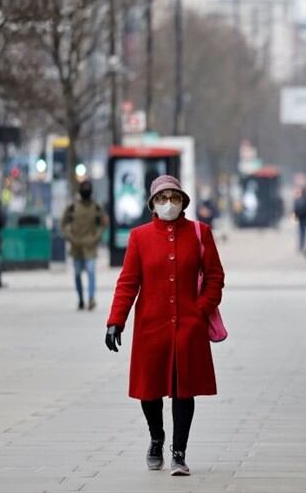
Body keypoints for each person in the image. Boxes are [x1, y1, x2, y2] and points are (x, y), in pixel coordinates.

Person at [105, 174, 225, 477]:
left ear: (183, 201)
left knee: (184, 390)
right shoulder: (140, 237)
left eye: (174, 198)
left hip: (189, 325)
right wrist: (115, 321)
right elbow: (128, 282)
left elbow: (214, 277)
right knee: (150, 391)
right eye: (162, 199)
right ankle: (156, 437)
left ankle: (179, 452)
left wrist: (201, 310)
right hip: (151, 326)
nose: (168, 204)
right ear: (153, 205)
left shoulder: (201, 233)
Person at [61, 180, 106, 311]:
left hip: (90, 246)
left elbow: (102, 224)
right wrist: (70, 237)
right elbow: (64, 223)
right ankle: (81, 298)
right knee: (77, 274)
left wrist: (96, 238)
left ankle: (91, 298)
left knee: (91, 272)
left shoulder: (96, 207)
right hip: (76, 247)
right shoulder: (73, 207)